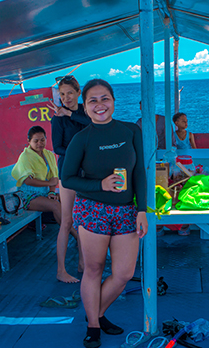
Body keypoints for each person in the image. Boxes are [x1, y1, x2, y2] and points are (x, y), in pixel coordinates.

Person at [60, 79, 148, 348]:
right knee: (95, 268)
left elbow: (140, 174)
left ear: (114, 101)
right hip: (92, 210)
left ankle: (96, 312)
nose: (100, 105)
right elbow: (67, 179)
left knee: (123, 273)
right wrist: (100, 184)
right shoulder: (82, 138)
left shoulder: (131, 131)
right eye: (93, 101)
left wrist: (142, 210)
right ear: (85, 107)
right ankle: (94, 326)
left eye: (105, 98)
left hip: (126, 211)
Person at [48, 75, 91, 283]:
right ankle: (61, 270)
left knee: (84, 222)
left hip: (87, 172)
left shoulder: (85, 111)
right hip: (68, 172)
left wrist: (71, 113)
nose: (66, 98)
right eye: (62, 94)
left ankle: (83, 263)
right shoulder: (57, 118)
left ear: (78, 93)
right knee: (67, 221)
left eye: (70, 93)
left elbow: (93, 124)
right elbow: (57, 148)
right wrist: (79, 154)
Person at [11, 126, 62, 224]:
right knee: (55, 205)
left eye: (42, 140)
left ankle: (77, 230)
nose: (40, 143)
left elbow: (53, 177)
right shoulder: (25, 156)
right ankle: (73, 233)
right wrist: (48, 183)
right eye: (36, 141)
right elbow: (27, 181)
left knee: (68, 199)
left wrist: (51, 192)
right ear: (29, 141)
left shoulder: (49, 155)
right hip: (28, 196)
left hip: (44, 193)